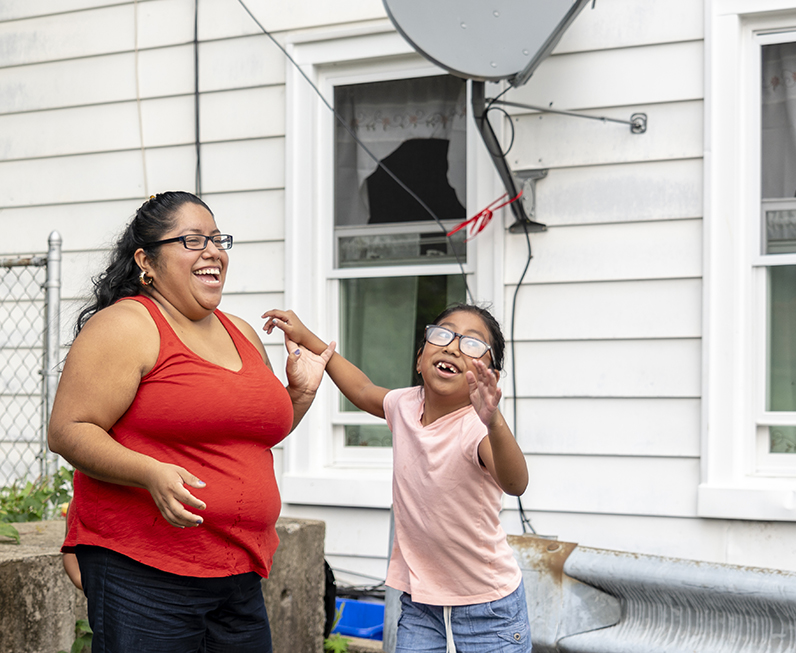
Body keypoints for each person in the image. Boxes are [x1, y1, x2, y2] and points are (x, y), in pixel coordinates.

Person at [47, 191, 335, 652]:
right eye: (192, 240)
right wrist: (149, 472)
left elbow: (247, 439)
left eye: (218, 239)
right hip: (146, 571)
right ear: (147, 260)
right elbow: (69, 430)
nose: (213, 251)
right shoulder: (126, 326)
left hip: (238, 569)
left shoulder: (240, 332)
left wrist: (298, 395)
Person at [262, 304, 531, 652]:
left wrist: (494, 420)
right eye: (443, 334)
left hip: (488, 607)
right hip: (421, 600)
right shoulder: (404, 405)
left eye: (472, 344)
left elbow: (516, 483)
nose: (452, 346)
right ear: (420, 360)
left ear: (488, 376)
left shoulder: (477, 428)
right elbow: (361, 389)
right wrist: (306, 337)